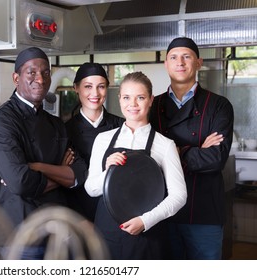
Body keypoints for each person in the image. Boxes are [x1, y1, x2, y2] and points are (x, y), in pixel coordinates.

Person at [0, 47, 87, 259]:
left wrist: (36, 168)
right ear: (16, 78)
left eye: (45, 73)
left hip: (56, 231)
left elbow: (80, 173)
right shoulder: (1, 122)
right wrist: (61, 174)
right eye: (31, 72)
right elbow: (20, 182)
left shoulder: (56, 124)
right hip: (19, 234)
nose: (40, 79)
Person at [84, 71, 187, 259]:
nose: (132, 104)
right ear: (119, 99)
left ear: (150, 100)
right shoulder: (103, 139)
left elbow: (179, 196)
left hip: (147, 236)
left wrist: (145, 221)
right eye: (126, 97)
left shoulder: (165, 145)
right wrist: (108, 171)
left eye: (140, 97)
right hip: (107, 233)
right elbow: (91, 189)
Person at [149, 37, 234, 260]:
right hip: (162, 211)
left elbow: (215, 159)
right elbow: (146, 158)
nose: (180, 62)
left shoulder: (219, 105)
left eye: (187, 57)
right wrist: (196, 150)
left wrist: (173, 153)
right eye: (174, 57)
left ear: (198, 62)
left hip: (204, 212)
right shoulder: (151, 105)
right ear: (166, 64)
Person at [65, 62, 124, 222]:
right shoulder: (64, 131)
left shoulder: (122, 126)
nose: (95, 93)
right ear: (76, 88)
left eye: (101, 86)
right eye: (88, 86)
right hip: (77, 212)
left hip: (114, 211)